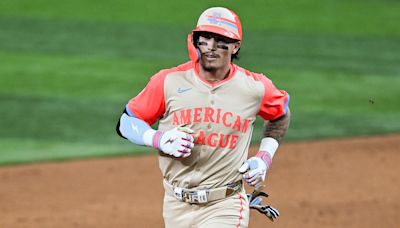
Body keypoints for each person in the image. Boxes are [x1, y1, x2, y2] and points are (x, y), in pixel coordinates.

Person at [116, 6, 290, 228]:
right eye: (205, 39)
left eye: (220, 40)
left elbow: (281, 114)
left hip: (225, 204)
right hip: (175, 205)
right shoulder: (168, 81)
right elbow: (126, 122)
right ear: (195, 41)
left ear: (236, 45)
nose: (211, 47)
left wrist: (264, 158)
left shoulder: (254, 87)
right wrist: (157, 138)